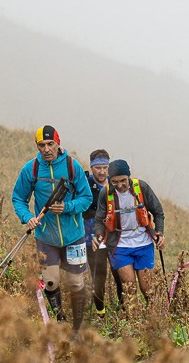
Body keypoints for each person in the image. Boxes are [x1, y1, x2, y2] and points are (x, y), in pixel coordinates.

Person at [12, 125, 93, 337]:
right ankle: (60, 319)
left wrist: (67, 207)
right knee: (51, 281)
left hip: (74, 236)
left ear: (58, 143)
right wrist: (27, 217)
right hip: (46, 237)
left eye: (51, 144)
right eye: (42, 145)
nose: (47, 149)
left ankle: (77, 328)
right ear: (37, 147)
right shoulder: (31, 169)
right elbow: (18, 198)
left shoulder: (72, 166)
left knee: (76, 283)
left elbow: (87, 198)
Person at [92, 159, 165, 307]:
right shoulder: (105, 193)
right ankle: (133, 325)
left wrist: (160, 233)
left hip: (143, 243)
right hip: (119, 245)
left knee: (147, 290)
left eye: (123, 181)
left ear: (129, 177)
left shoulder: (141, 187)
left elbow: (158, 212)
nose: (119, 185)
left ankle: (155, 321)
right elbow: (99, 219)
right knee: (129, 289)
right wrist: (98, 235)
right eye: (114, 182)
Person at [82, 149, 124, 319]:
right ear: (91, 168)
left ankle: (124, 310)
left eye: (105, 167)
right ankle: (101, 314)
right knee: (99, 276)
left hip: (114, 237)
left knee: (120, 274)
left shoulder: (115, 185)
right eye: (97, 168)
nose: (101, 171)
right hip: (91, 238)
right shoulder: (84, 184)